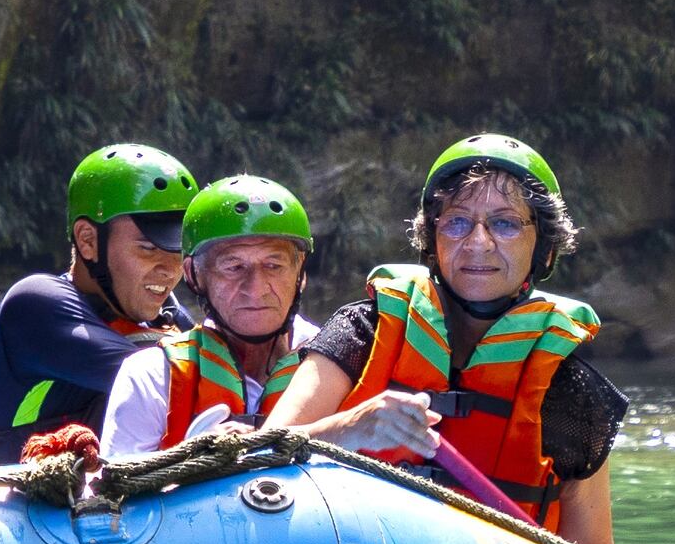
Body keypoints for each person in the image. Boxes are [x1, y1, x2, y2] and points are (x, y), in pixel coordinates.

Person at [269, 130, 634, 544]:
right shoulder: (363, 331)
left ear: (545, 251)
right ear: (433, 241)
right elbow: (261, 455)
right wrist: (350, 428)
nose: (478, 242)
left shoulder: (571, 391)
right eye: (457, 222)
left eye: (505, 223)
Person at [95, 177, 445, 459]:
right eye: (233, 267)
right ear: (193, 275)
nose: (256, 288)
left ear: (300, 274)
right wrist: (193, 457)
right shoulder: (152, 374)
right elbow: (116, 505)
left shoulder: (343, 362)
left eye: (274, 266)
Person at [0, 141, 197, 466]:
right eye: (149, 249)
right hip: (23, 504)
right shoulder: (34, 308)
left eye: (179, 253)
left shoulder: (167, 316)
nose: (170, 270)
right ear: (88, 241)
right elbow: (160, 379)